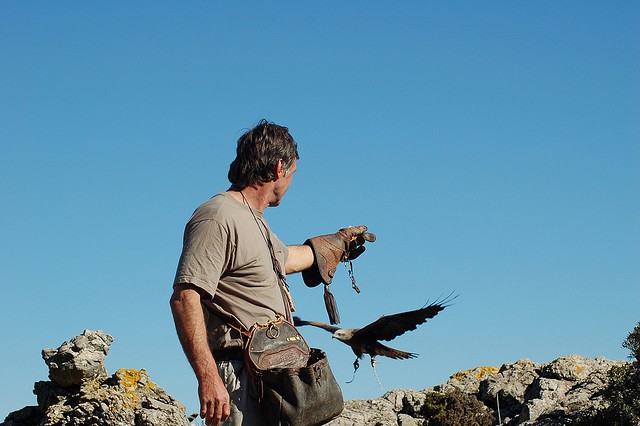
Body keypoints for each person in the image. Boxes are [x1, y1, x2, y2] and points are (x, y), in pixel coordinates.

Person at [170, 120, 374, 426]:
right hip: (239, 376)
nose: (291, 182)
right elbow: (185, 297)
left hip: (272, 379)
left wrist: (338, 242)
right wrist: (209, 377)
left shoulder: (255, 221)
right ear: (279, 168)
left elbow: (287, 259)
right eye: (292, 174)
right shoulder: (217, 216)